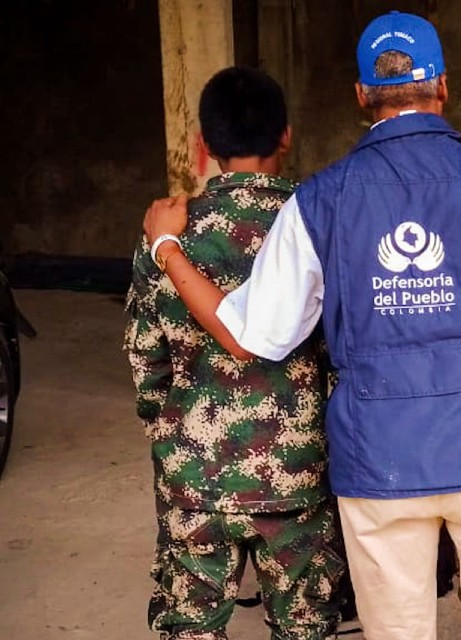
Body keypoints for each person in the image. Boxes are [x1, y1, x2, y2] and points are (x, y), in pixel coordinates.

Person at [140, 11, 461, 640]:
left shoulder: (319, 199)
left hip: (379, 455)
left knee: (396, 630)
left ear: (361, 95)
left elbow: (250, 337)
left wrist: (168, 247)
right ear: (442, 85)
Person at [124, 66, 345, 640]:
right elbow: (346, 351)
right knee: (305, 629)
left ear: (204, 145)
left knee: (191, 628)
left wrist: (173, 436)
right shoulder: (319, 224)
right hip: (298, 473)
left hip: (194, 476)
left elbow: (147, 363)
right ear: (286, 136)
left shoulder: (166, 231)